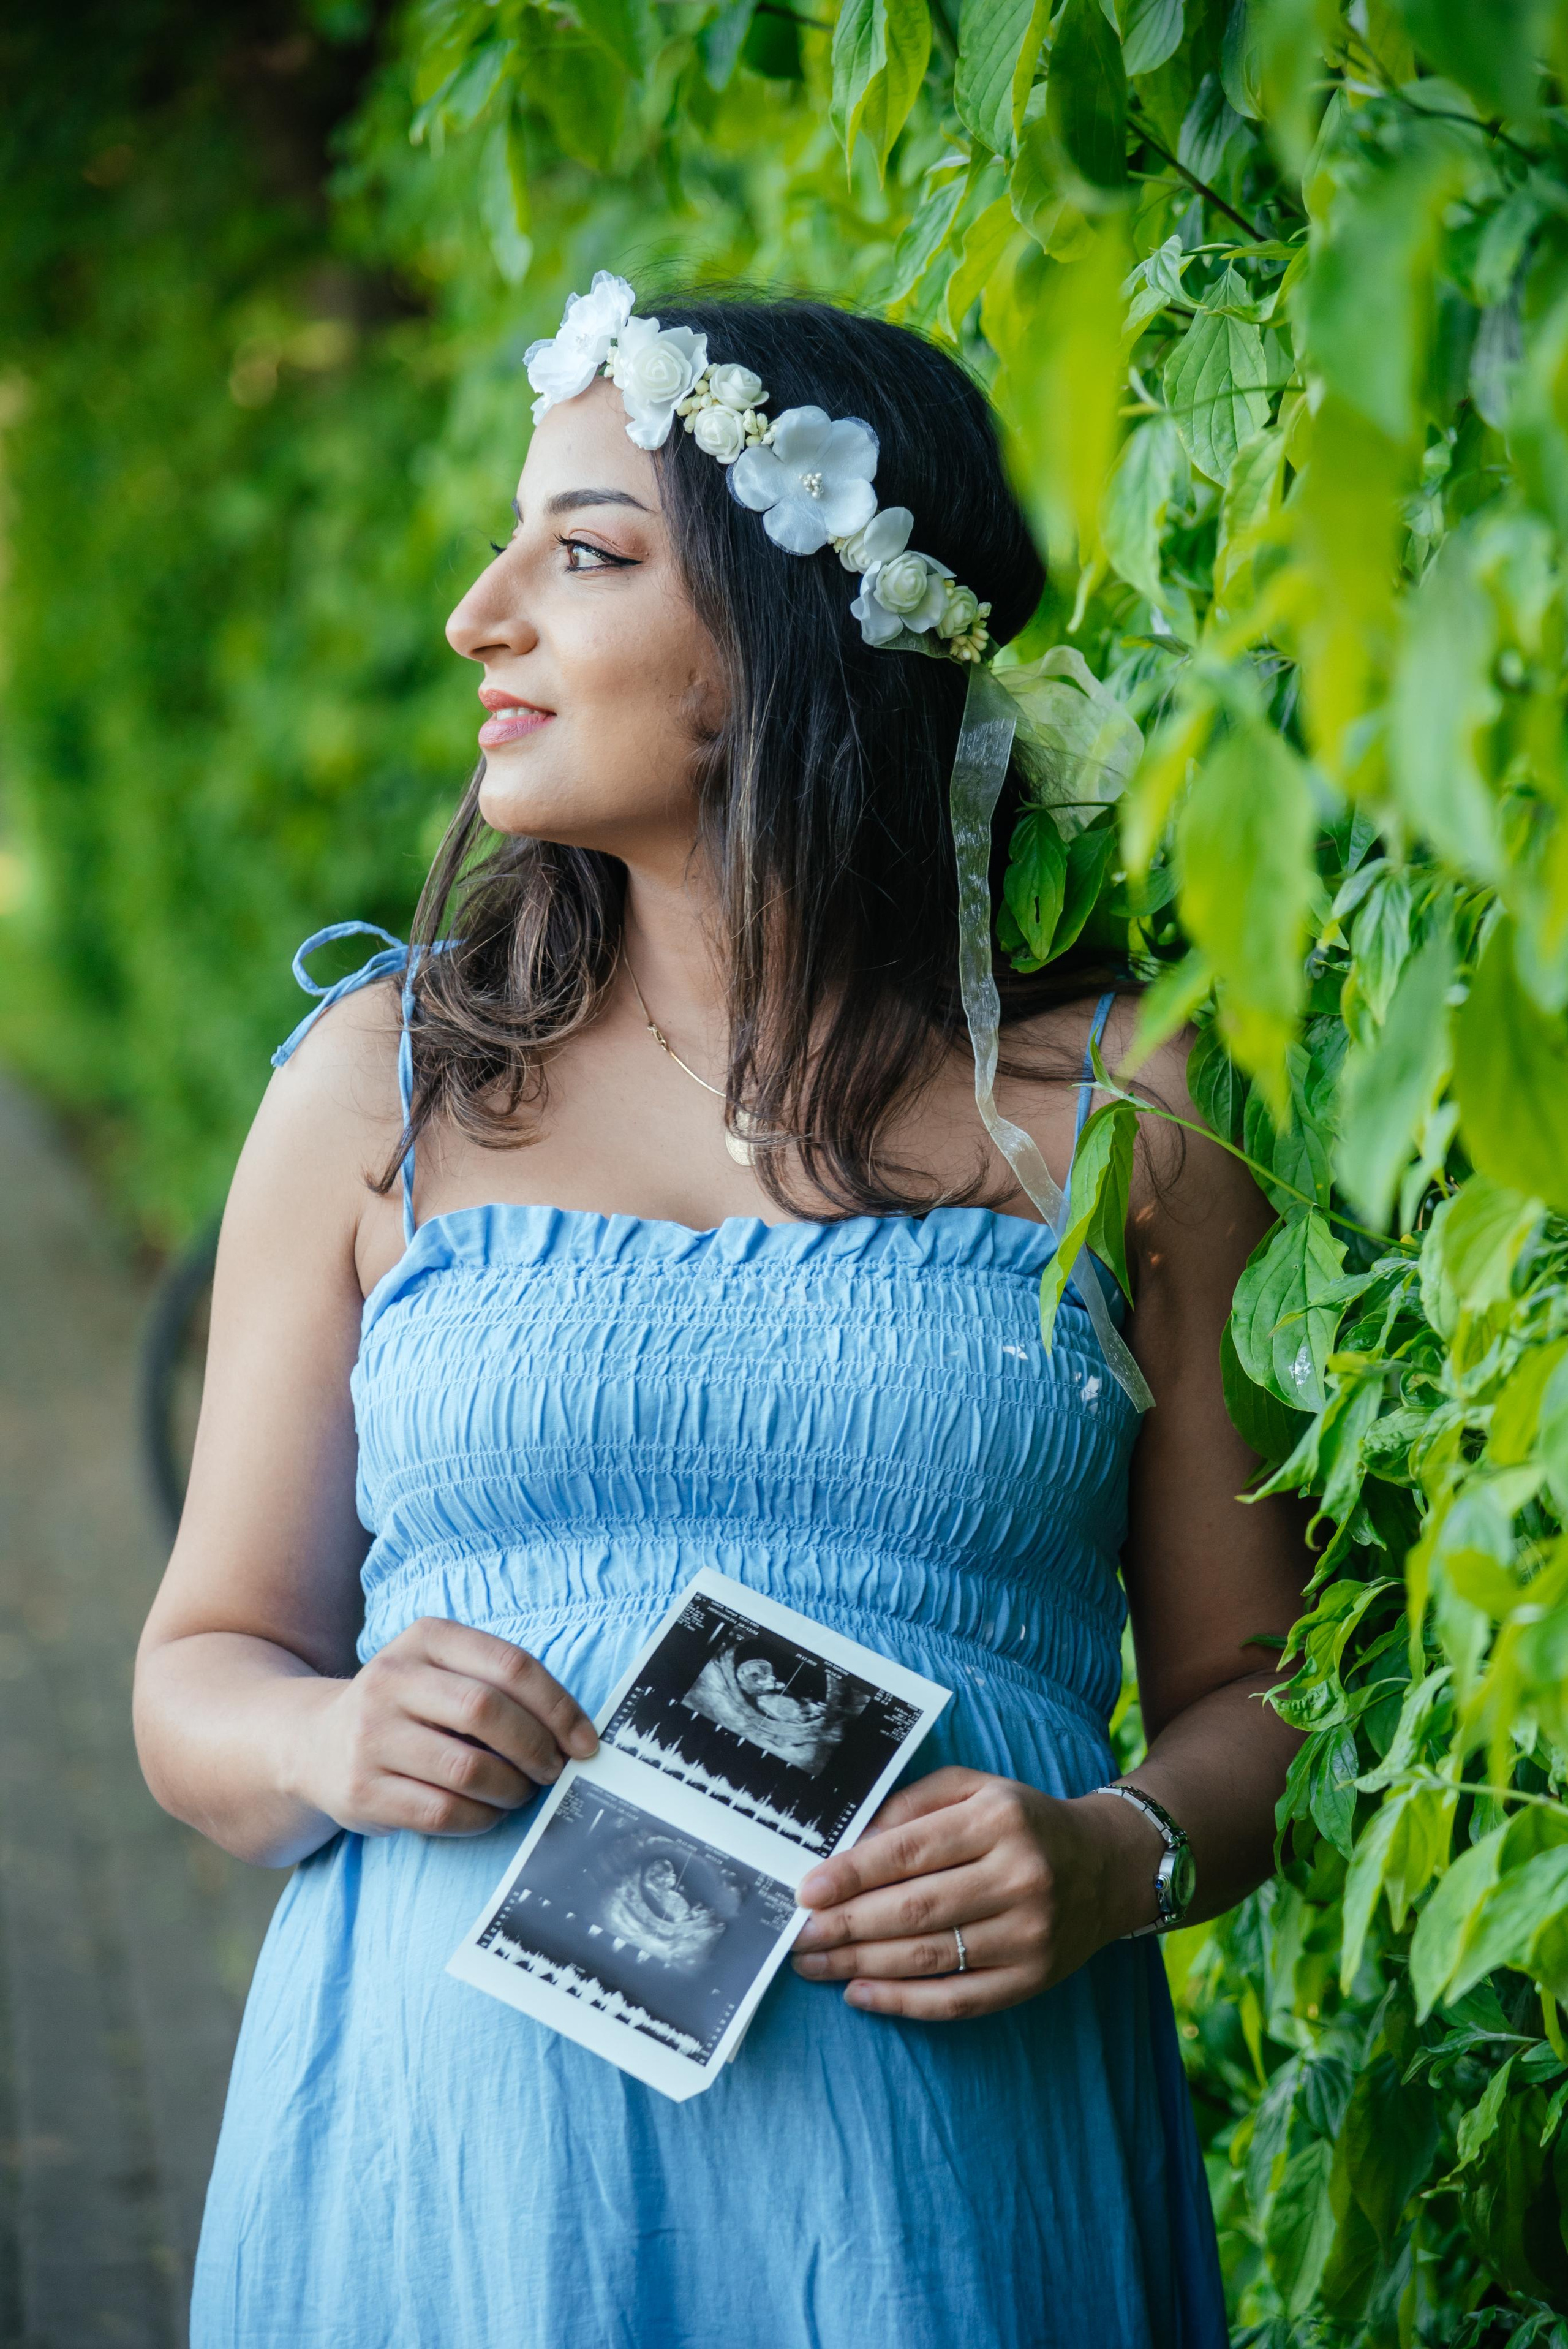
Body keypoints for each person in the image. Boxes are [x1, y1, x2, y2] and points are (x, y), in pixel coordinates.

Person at [134, 283, 1308, 2349]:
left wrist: (1118, 1855)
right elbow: (194, 1684)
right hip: (451, 2174)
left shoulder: (1134, 1120)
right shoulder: (377, 1088)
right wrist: (327, 1728)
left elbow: (1270, 1705)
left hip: (943, 2189)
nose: (478, 615)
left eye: (581, 553)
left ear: (799, 634)